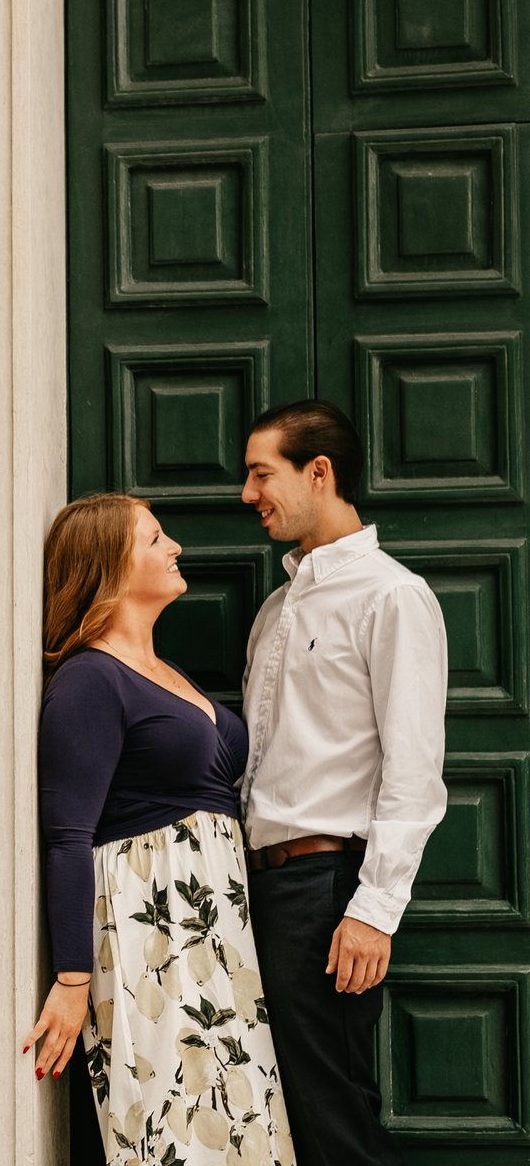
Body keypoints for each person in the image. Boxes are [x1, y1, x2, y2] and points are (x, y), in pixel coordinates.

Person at [27, 493, 296, 1165]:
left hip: (215, 929)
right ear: (110, 567)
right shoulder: (90, 679)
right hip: (154, 927)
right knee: (176, 1128)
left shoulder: (167, 674)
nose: (175, 546)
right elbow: (66, 835)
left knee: (239, 1125)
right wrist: (70, 979)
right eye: (154, 539)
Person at [239, 400, 448, 1166]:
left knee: (335, 1120)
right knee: (281, 1113)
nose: (246, 493)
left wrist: (374, 911)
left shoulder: (392, 597)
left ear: (318, 472)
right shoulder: (274, 611)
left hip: (328, 892)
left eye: (263, 473)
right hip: (256, 891)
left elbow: (414, 771)